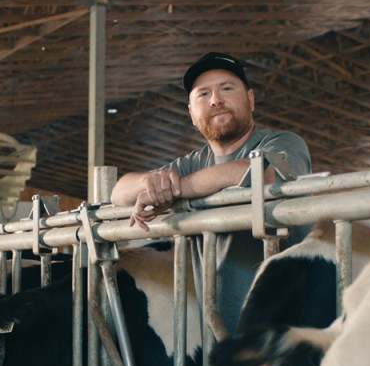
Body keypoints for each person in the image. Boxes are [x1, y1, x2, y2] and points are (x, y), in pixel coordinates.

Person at [110, 52, 311, 333]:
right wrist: (151, 184)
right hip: (220, 333)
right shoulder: (194, 162)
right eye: (203, 94)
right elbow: (119, 192)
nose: (216, 99)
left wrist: (178, 189)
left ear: (251, 100)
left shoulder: (283, 142)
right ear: (191, 114)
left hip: (292, 327)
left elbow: (262, 174)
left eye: (227, 88)